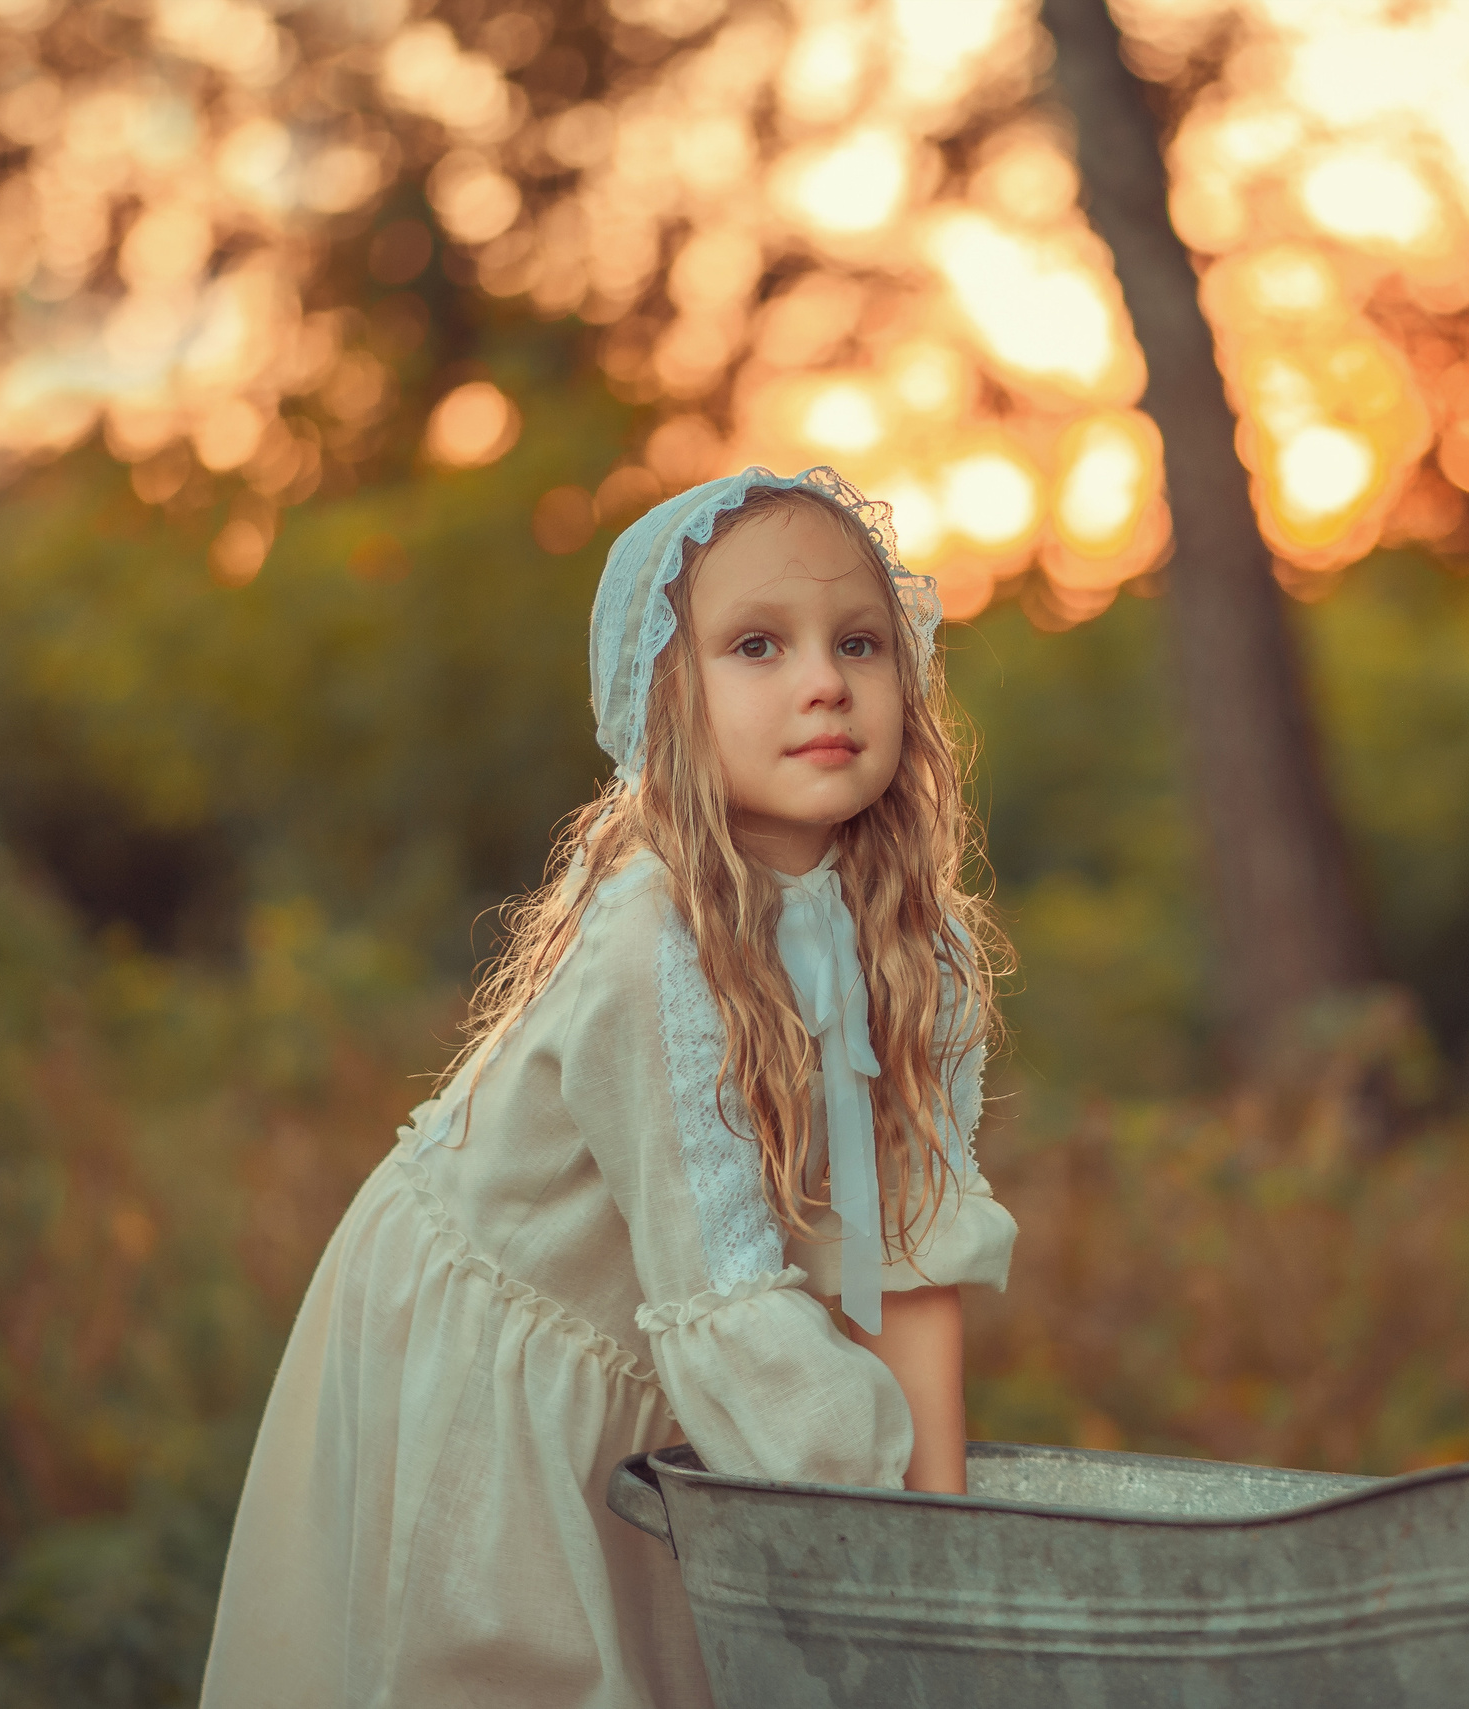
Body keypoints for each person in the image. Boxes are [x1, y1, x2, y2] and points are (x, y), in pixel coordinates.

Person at [199, 467, 1016, 1707]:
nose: (824, 681)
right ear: (666, 698)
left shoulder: (917, 945)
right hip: (507, 1350)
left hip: (679, 1362)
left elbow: (907, 1259)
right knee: (530, 1664)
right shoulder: (656, 941)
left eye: (861, 641)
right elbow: (722, 1292)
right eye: (757, 644)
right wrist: (865, 1526)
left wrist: (939, 1570)